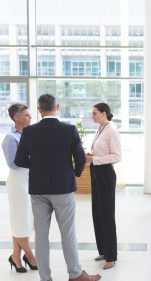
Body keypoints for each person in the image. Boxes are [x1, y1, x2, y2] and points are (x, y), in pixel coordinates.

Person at [14, 94, 101, 281]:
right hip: (63, 188)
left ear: (39, 109)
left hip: (38, 189)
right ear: (58, 107)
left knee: (41, 237)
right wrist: (73, 173)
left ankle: (45, 278)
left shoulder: (29, 132)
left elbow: (20, 160)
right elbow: (80, 159)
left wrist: (38, 167)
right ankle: (75, 274)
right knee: (68, 234)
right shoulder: (69, 130)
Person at [1, 104, 37, 273]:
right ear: (16, 117)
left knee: (23, 220)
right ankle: (30, 256)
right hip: (18, 181)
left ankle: (16, 255)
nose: (30, 118)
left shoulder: (30, 134)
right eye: (27, 115)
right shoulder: (10, 138)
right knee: (21, 219)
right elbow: (12, 163)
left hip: (29, 180)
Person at [85, 103, 122, 270]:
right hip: (95, 171)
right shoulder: (100, 129)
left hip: (105, 173)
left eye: (94, 113)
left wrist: (95, 159)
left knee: (106, 214)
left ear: (104, 113)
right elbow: (101, 152)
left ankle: (111, 256)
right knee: (97, 212)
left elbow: (116, 156)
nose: (92, 116)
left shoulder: (112, 131)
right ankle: (103, 250)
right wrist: (92, 157)